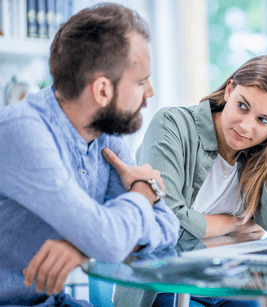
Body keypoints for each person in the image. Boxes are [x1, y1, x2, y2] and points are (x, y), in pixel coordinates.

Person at [0, 3, 179, 306]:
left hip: (49, 301)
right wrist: (145, 190)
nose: (149, 92)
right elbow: (112, 237)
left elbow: (167, 229)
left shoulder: (103, 134)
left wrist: (83, 244)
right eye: (139, 81)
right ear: (102, 91)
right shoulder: (22, 132)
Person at [118, 55, 267, 307]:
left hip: (234, 285)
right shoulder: (171, 124)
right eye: (242, 106)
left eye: (264, 120)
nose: (246, 127)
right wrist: (235, 226)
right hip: (169, 286)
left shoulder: (259, 155)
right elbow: (168, 225)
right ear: (229, 90)